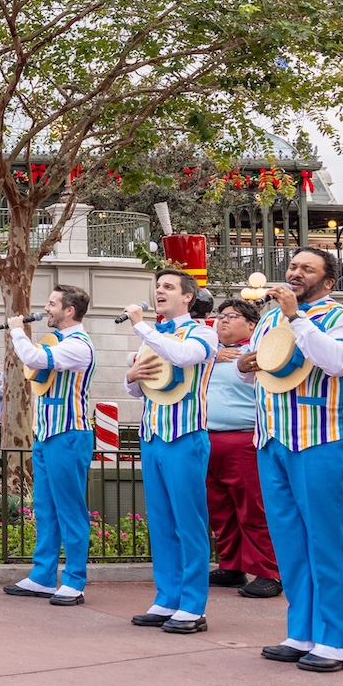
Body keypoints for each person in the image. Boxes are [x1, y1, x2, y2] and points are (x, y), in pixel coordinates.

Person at [237, 246, 343, 672]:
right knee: (290, 542)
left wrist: (297, 317)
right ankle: (302, 631)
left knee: (327, 542)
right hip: (273, 440)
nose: (295, 273)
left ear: (328, 281)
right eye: (293, 266)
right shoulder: (270, 318)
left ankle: (335, 641)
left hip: (324, 440)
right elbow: (254, 366)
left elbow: (339, 363)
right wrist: (244, 363)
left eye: (307, 269)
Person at [123, 270, 220, 635]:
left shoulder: (202, 332)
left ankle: (192, 606)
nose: (159, 291)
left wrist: (142, 328)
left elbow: (182, 357)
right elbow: (138, 389)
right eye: (158, 286)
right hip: (152, 435)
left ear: (188, 297)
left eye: (168, 287)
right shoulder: (153, 336)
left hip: (186, 435)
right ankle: (166, 598)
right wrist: (131, 376)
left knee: (189, 522)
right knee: (161, 522)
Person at [2, 285, 96, 606]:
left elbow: (35, 357)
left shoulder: (79, 345)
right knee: (45, 509)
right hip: (46, 434)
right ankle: (42, 577)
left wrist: (18, 331)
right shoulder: (60, 341)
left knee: (71, 510)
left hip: (69, 434)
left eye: (52, 304)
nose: (47, 308)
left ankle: (74, 580)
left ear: (69, 311)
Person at [205, 298, 282, 599]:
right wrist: (214, 354)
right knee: (221, 510)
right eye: (220, 316)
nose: (223, 321)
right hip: (210, 438)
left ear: (251, 324)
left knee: (253, 509)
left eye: (232, 316)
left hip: (244, 439)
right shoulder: (209, 353)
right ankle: (231, 564)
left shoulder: (259, 352)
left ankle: (269, 571)